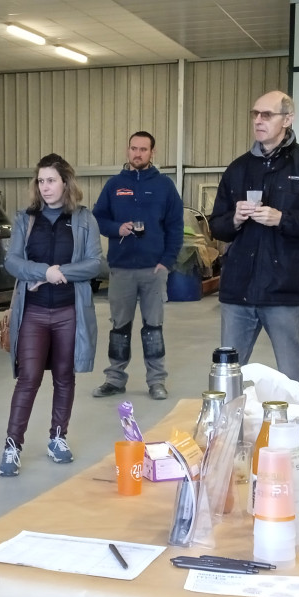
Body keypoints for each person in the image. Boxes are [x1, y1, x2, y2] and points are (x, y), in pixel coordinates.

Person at [208, 90, 299, 387]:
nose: (258, 120)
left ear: (288, 119)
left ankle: (296, 432)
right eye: (255, 114)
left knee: (293, 379)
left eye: (266, 115)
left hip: (284, 292)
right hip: (237, 293)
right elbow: (216, 226)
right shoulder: (238, 169)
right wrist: (234, 218)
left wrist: (283, 219)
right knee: (226, 378)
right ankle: (224, 433)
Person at [0, 154, 102, 476]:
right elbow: (13, 262)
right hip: (34, 312)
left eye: (51, 180)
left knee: (63, 377)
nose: (45, 187)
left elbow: (96, 263)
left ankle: (58, 438)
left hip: (69, 310)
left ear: (66, 182)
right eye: (41, 181)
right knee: (28, 378)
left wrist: (59, 274)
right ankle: (12, 445)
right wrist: (44, 271)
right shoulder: (25, 219)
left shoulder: (85, 219)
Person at [90, 131, 183, 401]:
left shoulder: (165, 186)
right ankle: (114, 379)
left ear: (152, 153)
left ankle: (156, 381)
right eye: (133, 148)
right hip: (121, 270)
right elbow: (98, 219)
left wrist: (166, 262)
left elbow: (176, 227)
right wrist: (117, 228)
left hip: (154, 270)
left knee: (153, 328)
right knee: (119, 328)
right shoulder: (114, 185)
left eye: (143, 149)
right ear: (127, 150)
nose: (138, 153)